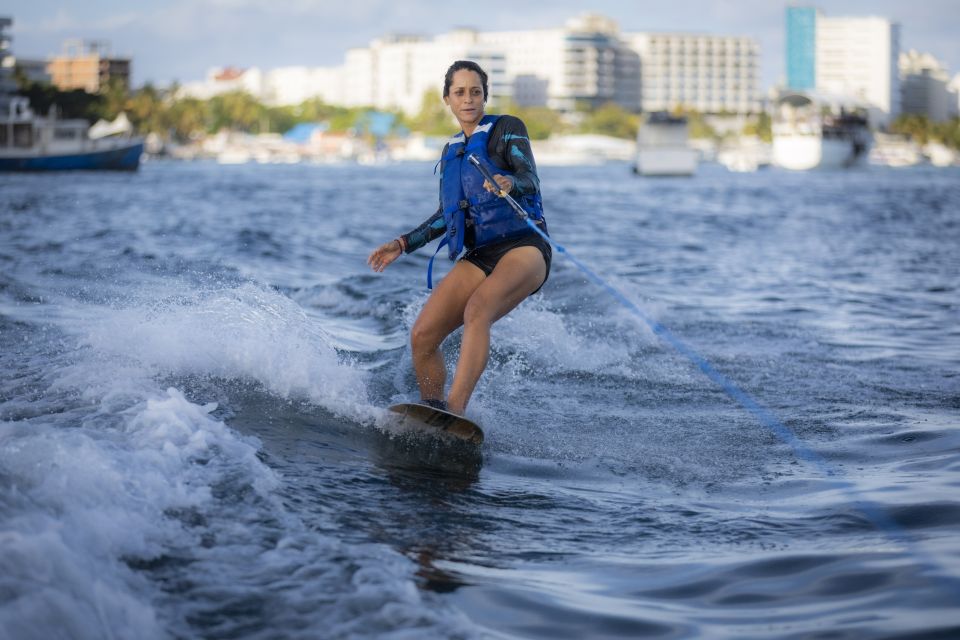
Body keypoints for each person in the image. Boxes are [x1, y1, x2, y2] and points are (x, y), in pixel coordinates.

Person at [367, 60, 552, 416]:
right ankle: (432, 410)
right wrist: (402, 244)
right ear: (447, 99)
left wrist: (509, 182)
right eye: (460, 92)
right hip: (482, 251)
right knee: (422, 336)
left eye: (475, 92)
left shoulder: (507, 129)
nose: (468, 99)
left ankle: (454, 413)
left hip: (525, 246)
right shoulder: (451, 151)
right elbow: (445, 217)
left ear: (485, 95)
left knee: (477, 310)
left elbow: (530, 178)